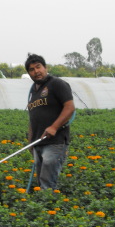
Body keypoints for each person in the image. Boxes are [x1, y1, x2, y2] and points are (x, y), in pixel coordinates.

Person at [25, 53, 75, 190]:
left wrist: (54, 127)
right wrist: (31, 142)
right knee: (41, 181)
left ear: (45, 67)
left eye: (38, 67)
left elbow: (70, 107)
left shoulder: (57, 84)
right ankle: (43, 206)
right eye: (31, 70)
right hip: (38, 142)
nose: (36, 72)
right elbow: (33, 118)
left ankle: (48, 208)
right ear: (29, 73)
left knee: (47, 182)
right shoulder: (33, 92)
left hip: (54, 141)